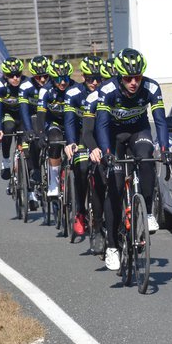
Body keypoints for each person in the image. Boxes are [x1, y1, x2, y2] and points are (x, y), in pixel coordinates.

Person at [95, 48, 172, 271]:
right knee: (116, 187)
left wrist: (165, 148)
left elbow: (160, 121)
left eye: (137, 77)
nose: (133, 83)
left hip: (139, 132)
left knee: (147, 158)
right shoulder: (107, 89)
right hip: (114, 136)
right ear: (119, 76)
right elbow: (100, 124)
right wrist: (107, 152)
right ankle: (112, 246)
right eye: (128, 78)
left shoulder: (151, 87)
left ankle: (147, 212)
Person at [64, 56, 106, 243]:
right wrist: (71, 142)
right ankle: (80, 211)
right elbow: (70, 121)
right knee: (81, 169)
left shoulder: (104, 93)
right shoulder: (73, 93)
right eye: (90, 78)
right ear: (82, 76)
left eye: (98, 78)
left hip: (101, 135)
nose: (95, 82)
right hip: (82, 135)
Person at [36, 59, 76, 197]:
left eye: (65, 78)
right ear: (52, 78)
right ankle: (54, 181)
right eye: (59, 79)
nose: (63, 82)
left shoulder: (75, 89)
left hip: (71, 123)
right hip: (53, 123)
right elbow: (40, 114)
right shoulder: (45, 90)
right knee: (55, 140)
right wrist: (41, 134)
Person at [19, 55, 52, 210]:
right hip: (31, 117)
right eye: (39, 77)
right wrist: (29, 131)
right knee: (31, 140)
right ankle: (35, 171)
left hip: (48, 117)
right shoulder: (26, 87)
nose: (43, 79)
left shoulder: (53, 85)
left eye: (46, 76)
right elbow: (24, 111)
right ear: (33, 75)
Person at [0, 57, 29, 181]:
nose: (15, 78)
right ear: (4, 75)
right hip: (7, 114)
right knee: (8, 127)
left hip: (23, 115)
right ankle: (6, 160)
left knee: (26, 140)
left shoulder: (27, 83)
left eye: (18, 74)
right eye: (11, 75)